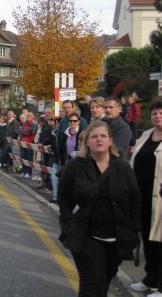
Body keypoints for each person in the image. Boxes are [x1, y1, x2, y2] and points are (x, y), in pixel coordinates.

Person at [58, 121, 141, 297]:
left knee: (103, 281)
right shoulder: (77, 166)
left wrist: (134, 231)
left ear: (110, 141)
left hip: (115, 238)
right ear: (87, 142)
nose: (99, 139)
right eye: (94, 136)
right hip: (87, 236)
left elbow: (134, 200)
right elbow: (64, 196)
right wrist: (67, 223)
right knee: (91, 283)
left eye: (103, 136)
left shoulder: (122, 167)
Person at [130, 97, 162, 296]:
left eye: (161, 113)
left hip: (160, 199)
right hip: (143, 198)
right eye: (154, 113)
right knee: (148, 242)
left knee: (160, 243)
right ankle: (150, 278)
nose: (157, 116)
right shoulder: (147, 135)